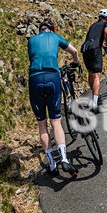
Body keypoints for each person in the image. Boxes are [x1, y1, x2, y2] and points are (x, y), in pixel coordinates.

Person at [28, 18, 79, 177]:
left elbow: (33, 58)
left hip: (35, 78)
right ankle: (64, 159)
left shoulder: (31, 40)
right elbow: (74, 51)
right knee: (55, 122)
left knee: (42, 123)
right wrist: (75, 63)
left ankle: (52, 164)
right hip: (52, 77)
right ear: (52, 29)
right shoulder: (55, 37)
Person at [80, 8, 107, 111]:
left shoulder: (93, 25)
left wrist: (102, 45)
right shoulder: (105, 23)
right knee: (97, 76)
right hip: (95, 50)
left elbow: (93, 38)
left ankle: (95, 95)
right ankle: (94, 102)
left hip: (85, 49)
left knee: (90, 73)